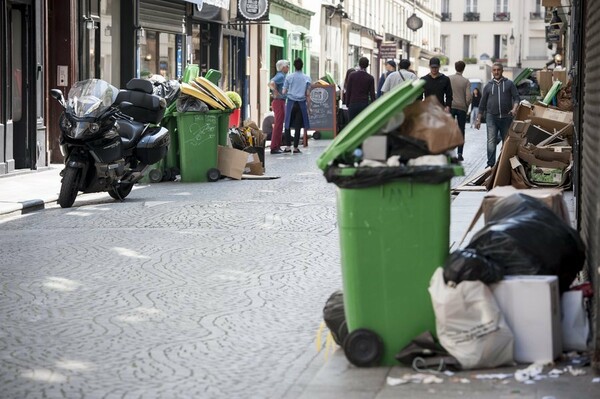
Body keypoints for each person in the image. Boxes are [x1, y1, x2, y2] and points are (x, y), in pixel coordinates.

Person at [475, 62, 520, 168]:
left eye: (498, 70)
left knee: (507, 142)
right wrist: (478, 119)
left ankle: (505, 164)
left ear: (502, 71)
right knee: (491, 140)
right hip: (491, 117)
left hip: (506, 117)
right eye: (494, 70)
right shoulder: (488, 86)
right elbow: (482, 104)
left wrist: (514, 109)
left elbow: (517, 98)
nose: (496, 72)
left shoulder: (509, 84)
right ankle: (490, 164)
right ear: (492, 71)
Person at [282, 58, 311, 154]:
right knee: (298, 126)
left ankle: (287, 147)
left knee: (287, 124)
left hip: (290, 102)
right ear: (302, 66)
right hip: (301, 103)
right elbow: (307, 94)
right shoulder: (307, 78)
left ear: (294, 66)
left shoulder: (289, 77)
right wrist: (309, 107)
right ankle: (295, 148)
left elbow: (284, 91)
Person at [449, 61, 472, 161]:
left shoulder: (449, 78)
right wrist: (466, 106)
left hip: (451, 106)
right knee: (461, 130)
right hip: (461, 107)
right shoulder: (466, 81)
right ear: (463, 68)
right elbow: (469, 97)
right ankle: (459, 153)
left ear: (455, 67)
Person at [268, 59, 289, 154]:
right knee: (278, 125)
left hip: (280, 101)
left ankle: (277, 146)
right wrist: (275, 91)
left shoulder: (282, 76)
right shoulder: (280, 76)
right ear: (283, 67)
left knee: (279, 125)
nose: (288, 67)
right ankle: (274, 147)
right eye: (287, 66)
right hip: (279, 101)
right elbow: (271, 83)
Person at [345, 57, 376, 121]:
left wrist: (347, 103)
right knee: (362, 124)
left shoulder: (352, 75)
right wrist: (374, 105)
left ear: (359, 64)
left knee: (351, 125)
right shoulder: (370, 78)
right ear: (367, 65)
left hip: (353, 103)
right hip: (364, 104)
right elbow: (372, 94)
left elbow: (348, 90)